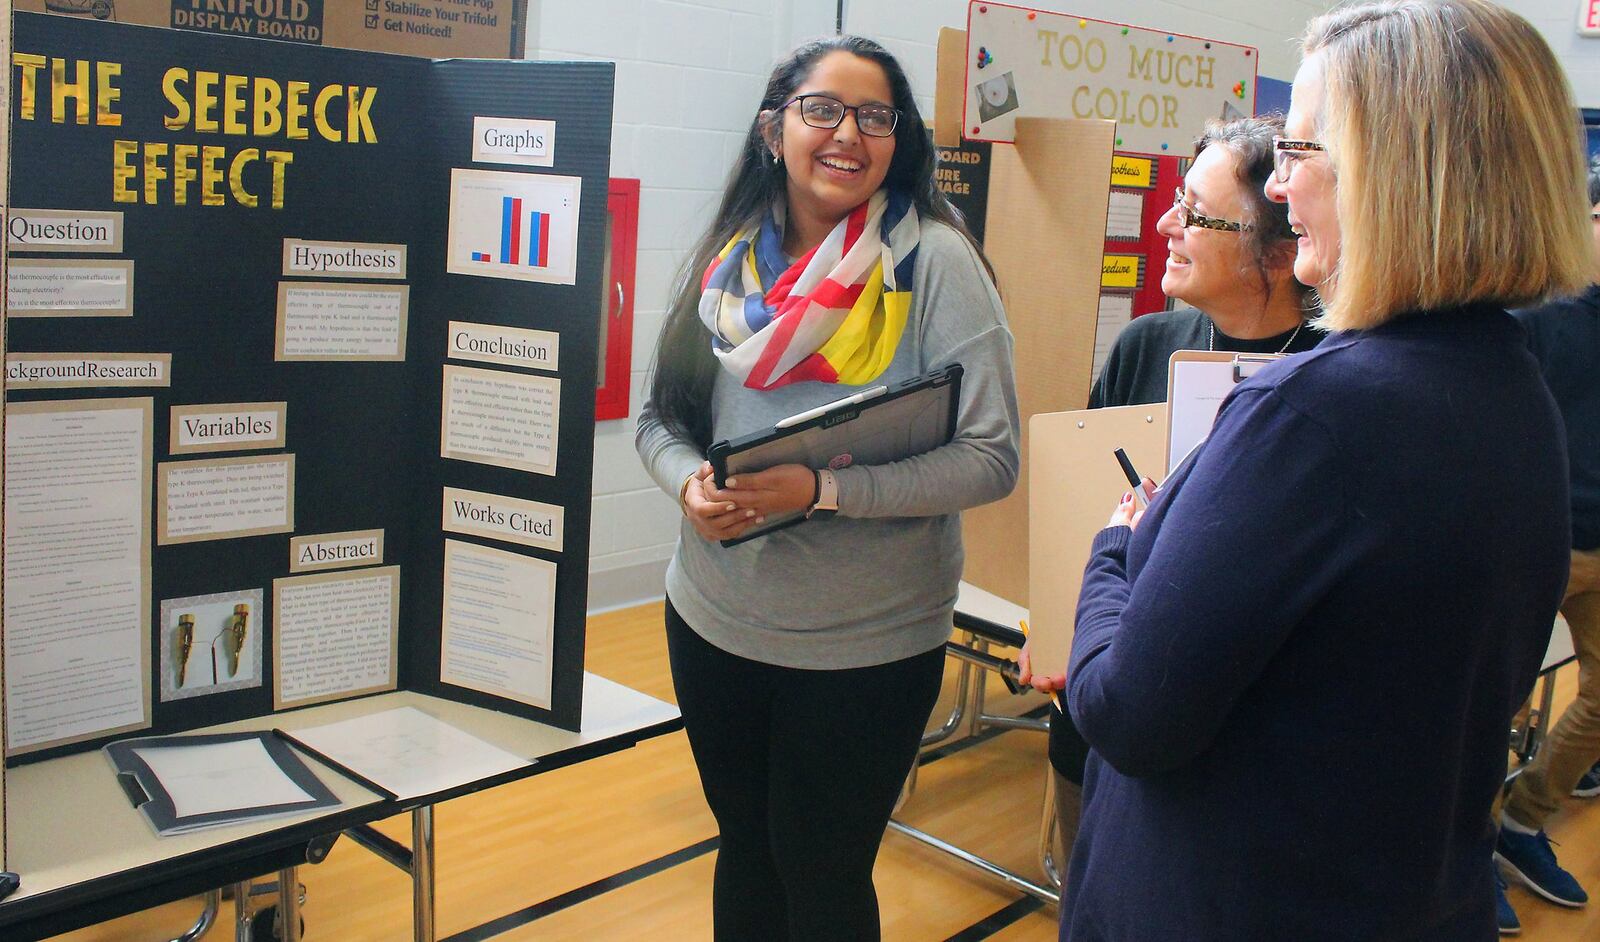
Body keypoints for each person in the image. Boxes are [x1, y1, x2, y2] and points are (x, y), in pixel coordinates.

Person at [1060, 1, 1591, 938]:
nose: (1284, 191)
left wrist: (1113, 550)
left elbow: (1129, 712)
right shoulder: (1505, 379)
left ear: (1397, 171)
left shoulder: (1314, 412)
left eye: (1300, 153)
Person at [634, 36, 1019, 941]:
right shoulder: (727, 264)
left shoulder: (936, 265)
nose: (848, 134)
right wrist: (690, 483)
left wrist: (821, 490)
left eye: (875, 116)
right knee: (745, 851)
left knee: (820, 869)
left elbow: (992, 458)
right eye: (822, 109)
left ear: (899, 138)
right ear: (775, 129)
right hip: (714, 622)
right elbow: (660, 420)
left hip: (868, 649)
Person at [1017, 114, 1320, 878]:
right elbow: (1081, 502)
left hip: (1224, 738)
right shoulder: (1146, 344)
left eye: (1194, 212)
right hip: (1098, 699)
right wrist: (1054, 622)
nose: (1165, 222)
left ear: (1280, 252)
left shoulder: (1329, 380)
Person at [1493, 153, 1600, 934]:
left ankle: (1520, 822)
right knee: (1482, 706)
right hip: (1532, 542)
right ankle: (1461, 847)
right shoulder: (1531, 317)